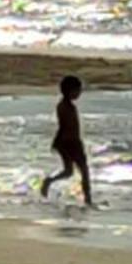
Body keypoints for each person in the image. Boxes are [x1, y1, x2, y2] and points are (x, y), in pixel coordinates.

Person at [39, 75, 92, 207]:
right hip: (70, 143)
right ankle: (88, 200)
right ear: (70, 91)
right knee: (84, 171)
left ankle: (49, 181)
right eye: (77, 90)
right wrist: (59, 142)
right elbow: (63, 126)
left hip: (69, 142)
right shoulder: (64, 107)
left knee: (69, 171)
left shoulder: (67, 106)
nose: (79, 93)